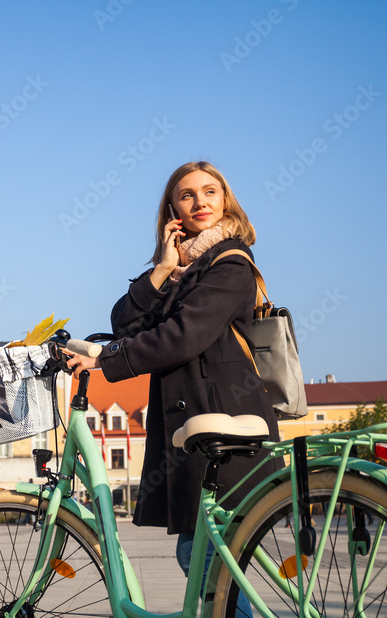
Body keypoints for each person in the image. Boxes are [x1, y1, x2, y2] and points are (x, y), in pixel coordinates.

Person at [65, 162, 281, 615]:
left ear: (225, 201)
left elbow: (183, 336)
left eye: (209, 191)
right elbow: (124, 322)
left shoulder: (231, 263)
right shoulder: (184, 271)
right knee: (209, 558)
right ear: (172, 209)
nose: (199, 201)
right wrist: (163, 267)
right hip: (196, 427)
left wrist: (106, 360)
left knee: (200, 556)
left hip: (225, 425)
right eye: (186, 195)